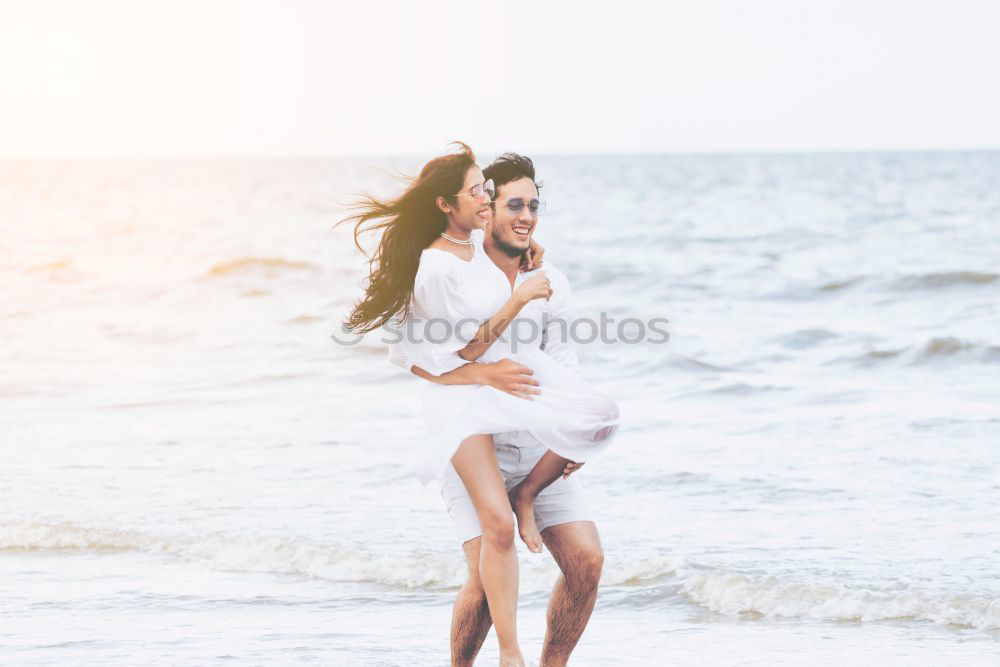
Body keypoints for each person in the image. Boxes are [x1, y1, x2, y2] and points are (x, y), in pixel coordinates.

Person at [341, 143, 619, 667]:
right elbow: (422, 354)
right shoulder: (454, 268)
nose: (526, 217)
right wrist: (483, 368)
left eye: (533, 207)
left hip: (535, 441)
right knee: (484, 579)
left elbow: (564, 363)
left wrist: (570, 430)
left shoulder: (550, 280)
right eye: (512, 205)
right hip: (473, 437)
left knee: (586, 560)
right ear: (485, 206)